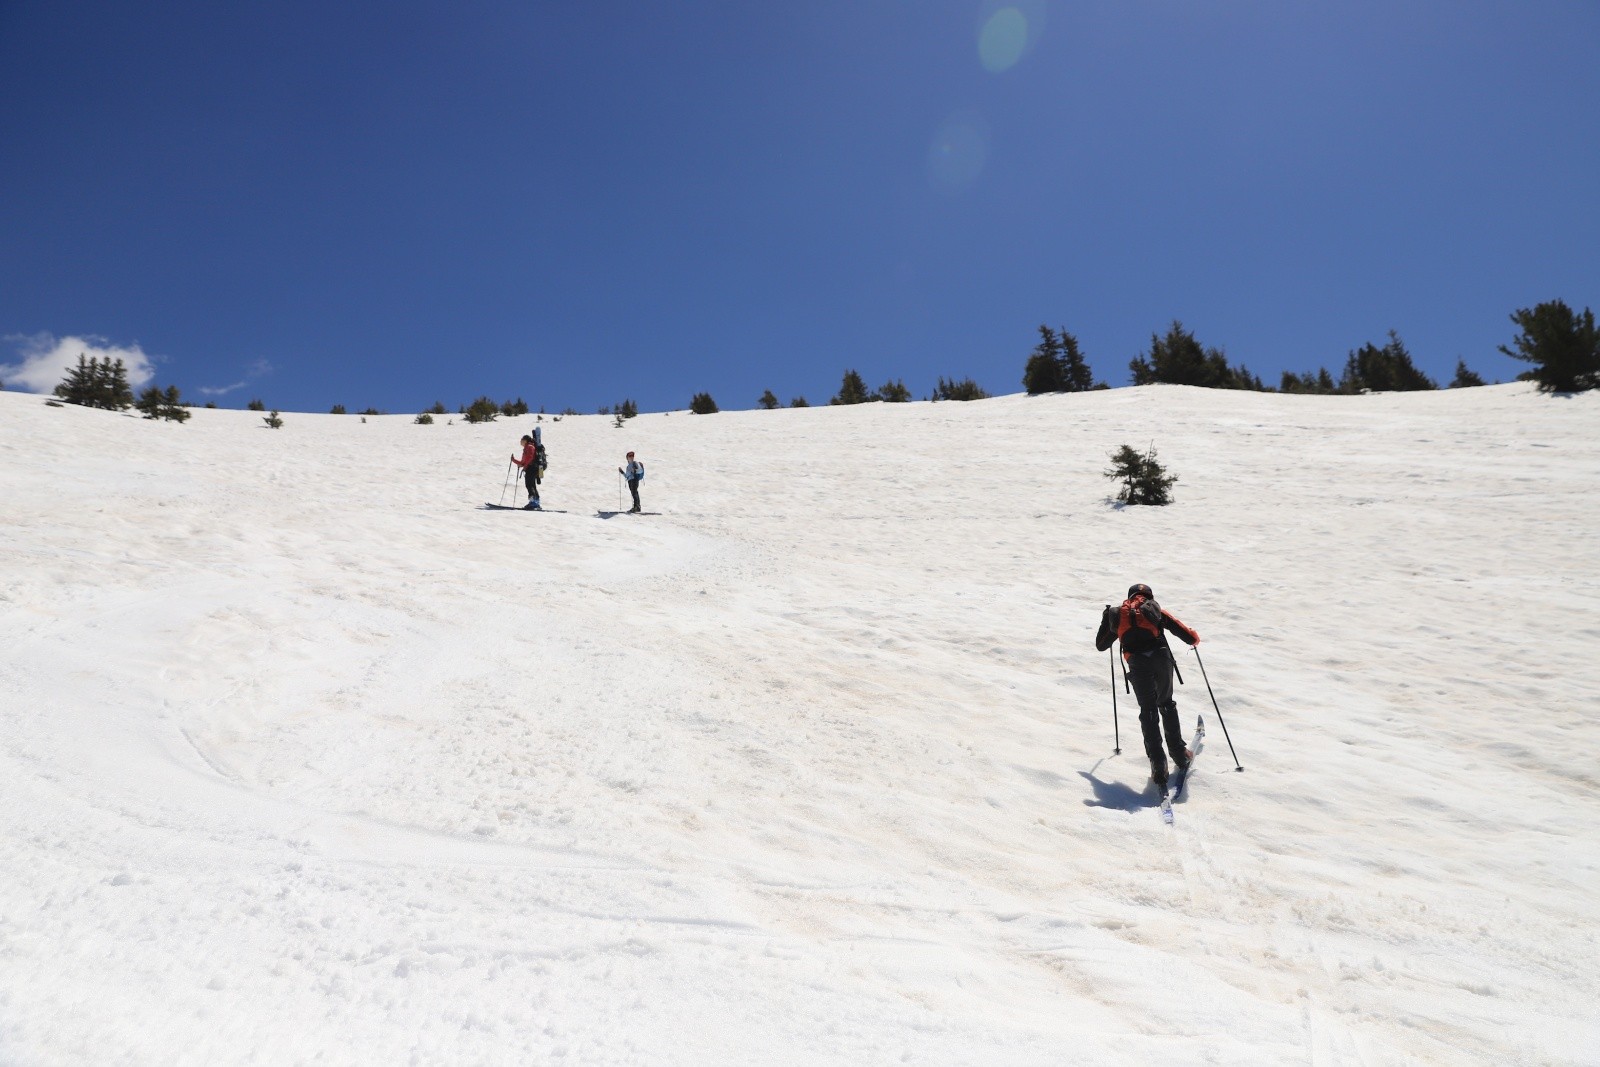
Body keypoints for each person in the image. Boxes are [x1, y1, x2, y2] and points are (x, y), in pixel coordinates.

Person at [1095, 583, 1200, 792]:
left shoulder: (1118, 614)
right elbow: (1187, 635)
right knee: (1166, 704)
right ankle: (1179, 755)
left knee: (1148, 711)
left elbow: (1101, 644)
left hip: (1137, 663)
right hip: (1160, 659)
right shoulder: (1154, 609)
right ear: (1148, 596)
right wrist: (1194, 639)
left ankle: (1158, 766)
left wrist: (1105, 618)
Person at [512, 434, 541, 510]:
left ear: (525, 440)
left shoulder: (529, 447)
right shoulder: (527, 447)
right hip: (532, 468)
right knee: (532, 485)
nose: (520, 441)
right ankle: (536, 502)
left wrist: (525, 466)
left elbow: (529, 458)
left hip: (532, 468)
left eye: (522, 439)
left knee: (529, 485)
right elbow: (523, 462)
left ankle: (533, 503)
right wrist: (514, 460)